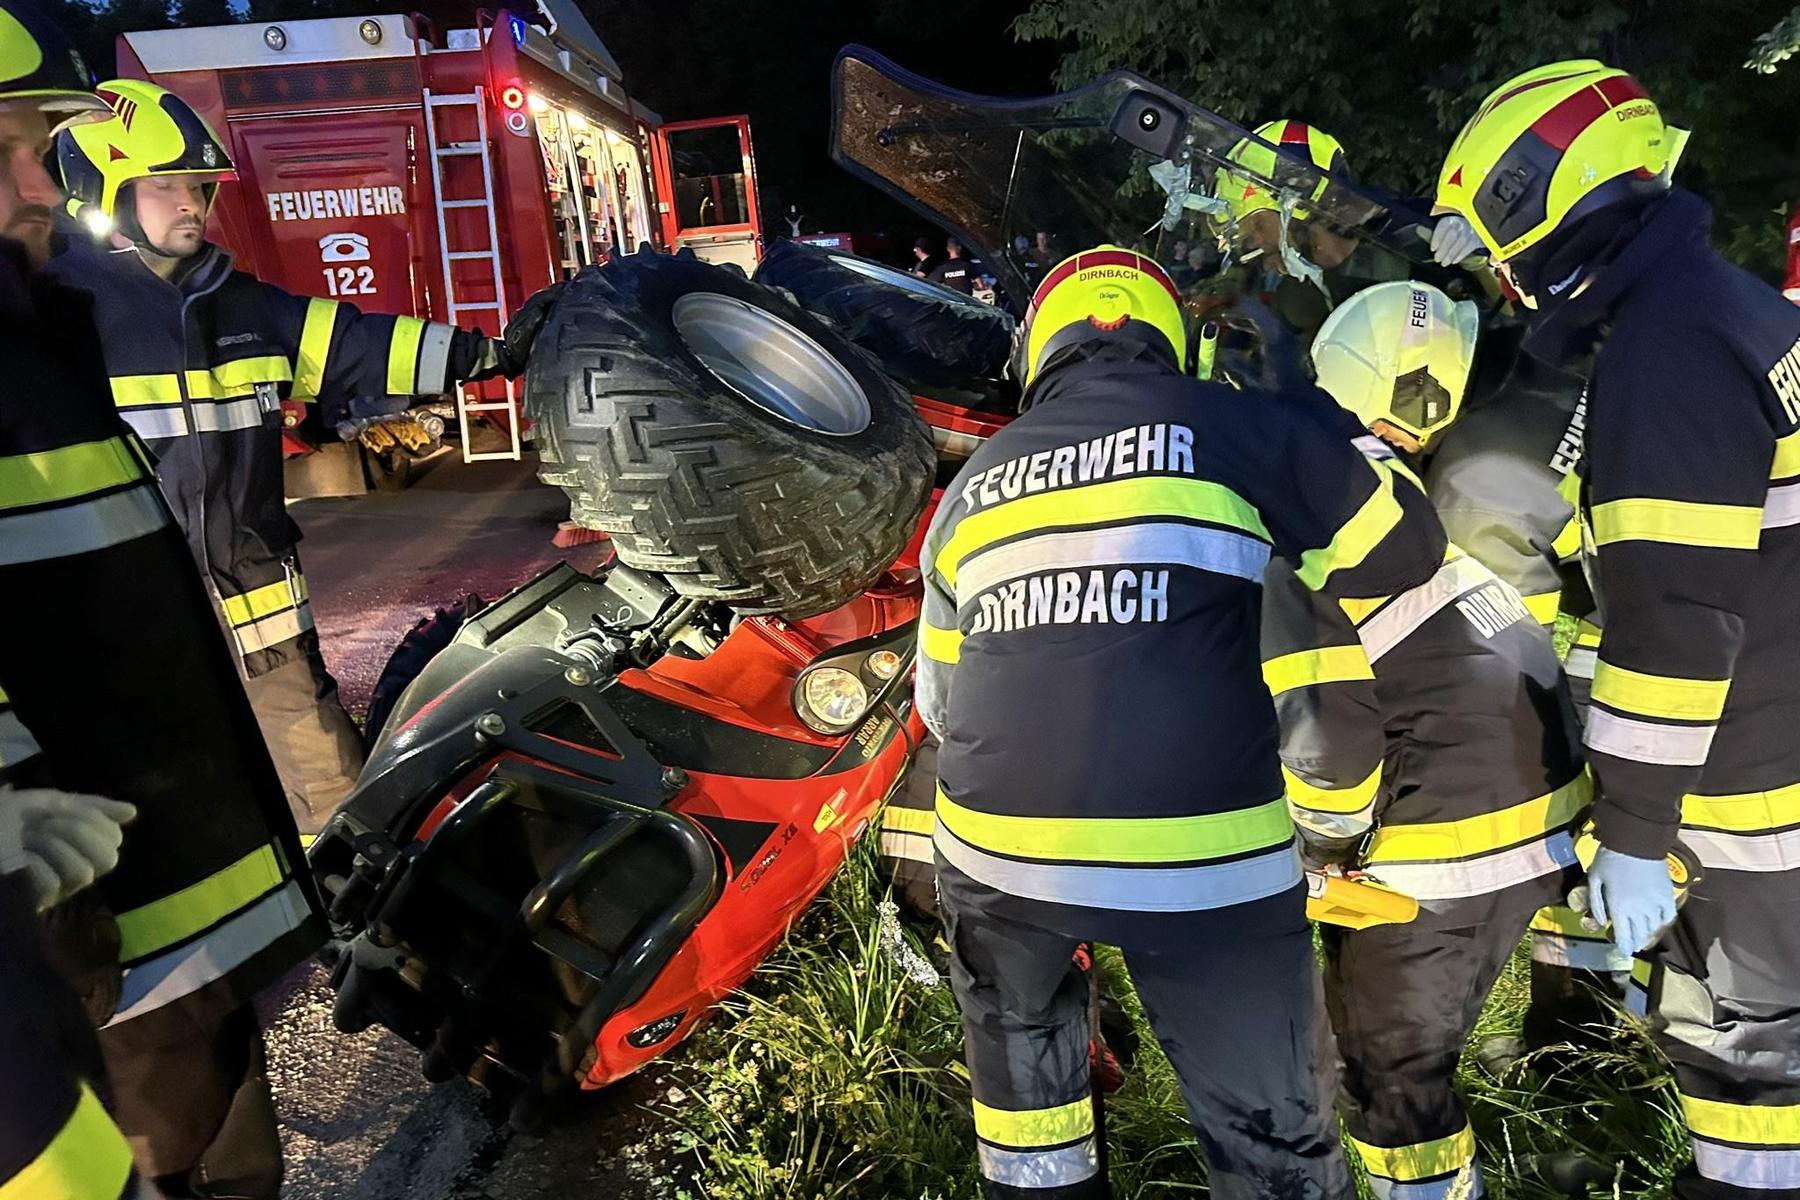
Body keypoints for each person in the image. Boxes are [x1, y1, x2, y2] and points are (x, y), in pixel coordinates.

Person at [915, 245, 1447, 1199]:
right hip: (1209, 869)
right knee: (1269, 1140)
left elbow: (939, 706)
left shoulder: (974, 482)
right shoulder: (1240, 429)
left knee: (1025, 1102)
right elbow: (1404, 554)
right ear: (1175, 346)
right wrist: (1316, 420)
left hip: (999, 860)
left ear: (1038, 352)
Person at [1436, 60, 1800, 1199]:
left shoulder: (1669, 349)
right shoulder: (1740, 307)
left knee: (1752, 1065)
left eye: (1490, 243)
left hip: (1748, 799)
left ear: (1530, 205)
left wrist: (1636, 830)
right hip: (1779, 759)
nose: (1496, 276)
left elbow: (1677, 621)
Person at [0, 5, 325, 1195]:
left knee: (231, 1151)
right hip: (98, 938)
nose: (45, 180)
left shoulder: (43, 332)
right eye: (11, 148)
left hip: (178, 921)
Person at [49, 80, 529, 832]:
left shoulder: (241, 304)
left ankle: (342, 932)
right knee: (167, 812)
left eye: (199, 186)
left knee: (331, 798)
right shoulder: (58, 314)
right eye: (165, 184)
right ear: (101, 193)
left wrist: (490, 351)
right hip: (132, 622)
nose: (191, 203)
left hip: (260, 612)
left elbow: (363, 346)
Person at [1262, 280, 1585, 1198]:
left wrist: (1321, 851)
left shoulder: (1309, 513)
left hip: (1445, 849)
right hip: (1535, 809)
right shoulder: (1405, 496)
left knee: (1390, 1078)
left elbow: (1325, 734)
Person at [1422, 313, 1627, 1065]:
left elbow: (1502, 660)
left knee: (1570, 799)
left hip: (1655, 630)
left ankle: (1578, 1052)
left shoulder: (1475, 481)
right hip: (1707, 590)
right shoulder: (1534, 363)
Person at [1215, 120, 1412, 343]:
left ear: (1304, 206)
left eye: (1259, 225)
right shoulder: (1293, 297)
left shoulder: (1408, 235)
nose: (1256, 245)